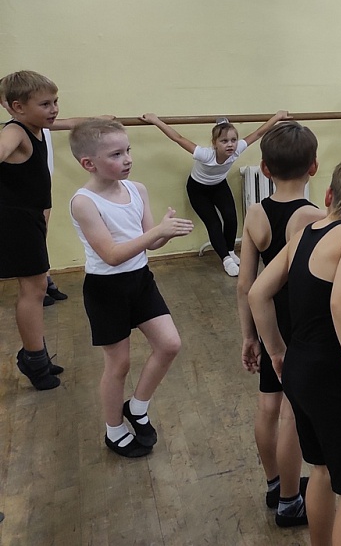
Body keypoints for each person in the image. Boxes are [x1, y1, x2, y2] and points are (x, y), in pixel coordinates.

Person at [249, 157, 341, 546]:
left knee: (322, 471)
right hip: (332, 375)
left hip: (299, 368)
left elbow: (257, 293)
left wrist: (277, 352)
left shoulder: (303, 235)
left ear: (328, 195)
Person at [68, 119, 192, 456]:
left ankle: (137, 406)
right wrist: (155, 234)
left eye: (128, 150)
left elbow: (151, 243)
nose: (127, 159)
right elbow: (110, 255)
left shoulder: (137, 189)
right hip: (105, 289)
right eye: (116, 154)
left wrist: (165, 231)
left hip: (140, 281)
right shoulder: (84, 202)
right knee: (118, 364)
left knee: (169, 344)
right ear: (89, 163)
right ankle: (114, 430)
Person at [236, 121, 323, 526]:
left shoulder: (255, 213)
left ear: (265, 169)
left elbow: (245, 284)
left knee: (268, 403)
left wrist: (249, 335)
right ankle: (290, 501)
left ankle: (275, 484)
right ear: (314, 167)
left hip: (267, 320)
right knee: (291, 411)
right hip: (299, 325)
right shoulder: (313, 216)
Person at [140, 110, 288, 276]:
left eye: (233, 140)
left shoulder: (237, 149)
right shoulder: (205, 154)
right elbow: (178, 138)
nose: (230, 144)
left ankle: (230, 251)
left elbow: (259, 133)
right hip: (198, 190)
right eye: (224, 141)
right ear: (215, 143)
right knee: (214, 224)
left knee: (231, 217)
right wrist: (156, 120)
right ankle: (226, 260)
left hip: (219, 186)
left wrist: (277, 117)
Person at [0, 70, 63, 389]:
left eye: (55, 102)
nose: (54, 109)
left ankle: (36, 355)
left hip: (29, 218)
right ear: (17, 107)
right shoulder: (16, 131)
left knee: (36, 288)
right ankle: (34, 361)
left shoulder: (36, 128)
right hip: (16, 221)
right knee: (34, 289)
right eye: (45, 104)